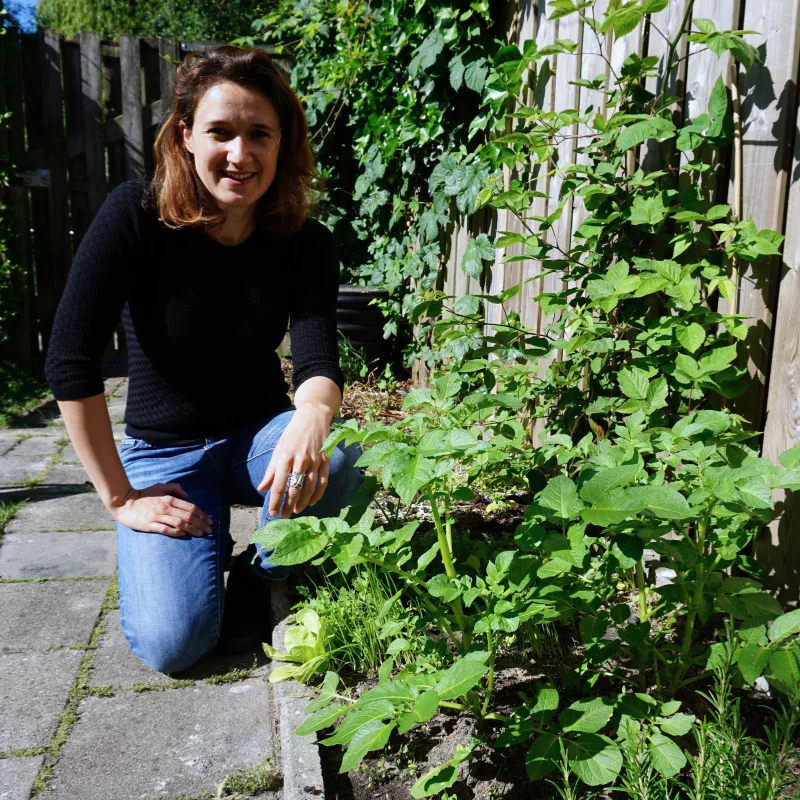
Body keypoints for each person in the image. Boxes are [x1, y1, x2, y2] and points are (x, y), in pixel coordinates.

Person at [44, 45, 363, 674]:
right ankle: (200, 542)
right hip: (164, 455)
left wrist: (312, 416)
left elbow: (318, 360)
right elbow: (69, 360)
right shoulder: (136, 216)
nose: (240, 155)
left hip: (256, 446)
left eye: (259, 135)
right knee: (174, 643)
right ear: (186, 135)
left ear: (282, 143)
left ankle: (258, 572)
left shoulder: (303, 241)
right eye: (220, 132)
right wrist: (120, 498)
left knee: (344, 453)